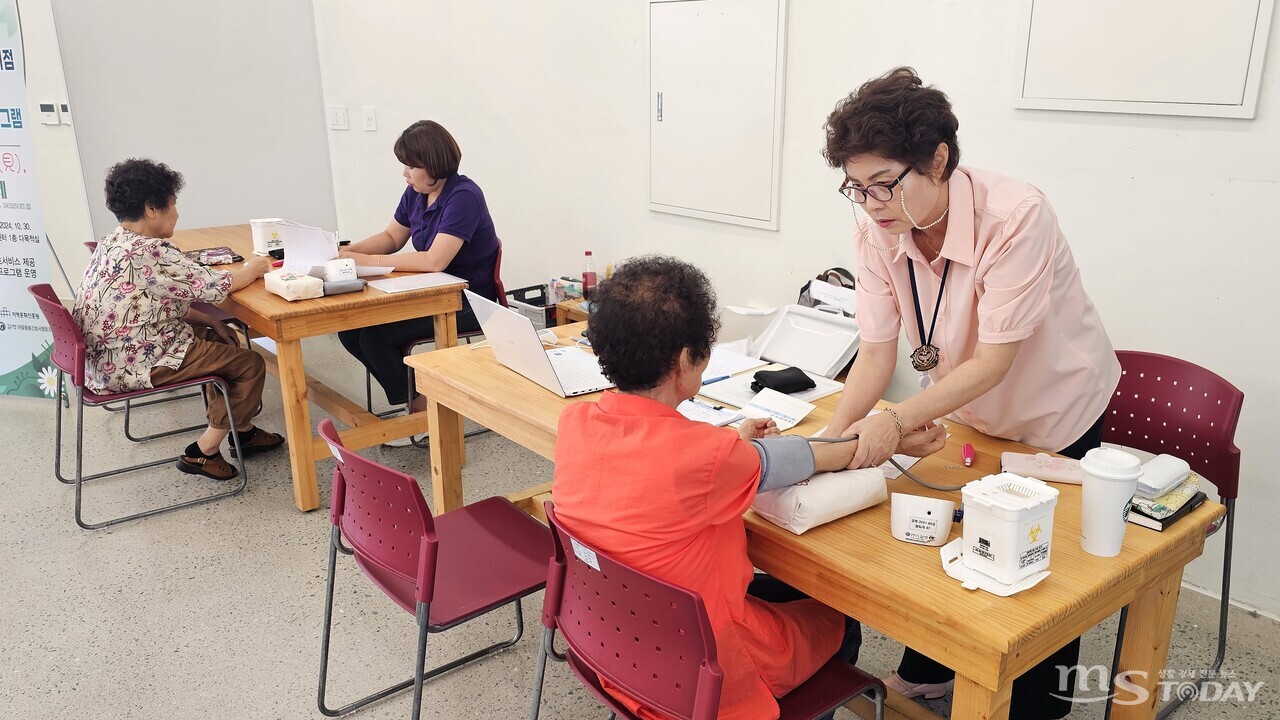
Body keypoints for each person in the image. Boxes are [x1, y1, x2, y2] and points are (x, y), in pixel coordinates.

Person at [822, 67, 1121, 718]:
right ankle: (930, 672)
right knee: (952, 535)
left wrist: (895, 421)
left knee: (1038, 569)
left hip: (1053, 411)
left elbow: (993, 361)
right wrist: (832, 438)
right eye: (857, 188)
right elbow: (876, 352)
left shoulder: (1016, 216)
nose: (872, 205)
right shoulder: (877, 231)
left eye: (885, 185)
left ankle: (1039, 706)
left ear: (939, 159)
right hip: (966, 406)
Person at [551, 255, 944, 720]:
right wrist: (890, 433)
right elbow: (814, 457)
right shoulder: (705, 457)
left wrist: (731, 446)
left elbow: (675, 467)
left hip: (619, 654)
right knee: (840, 617)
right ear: (684, 360)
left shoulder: (576, 423)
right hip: (713, 675)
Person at [73, 158, 284, 481]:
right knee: (249, 364)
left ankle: (243, 430)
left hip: (109, 357)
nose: (177, 212)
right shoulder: (150, 252)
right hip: (136, 362)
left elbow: (152, 302)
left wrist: (209, 321)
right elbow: (217, 287)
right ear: (152, 209)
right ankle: (203, 451)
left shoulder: (112, 242)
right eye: (172, 204)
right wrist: (253, 268)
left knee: (218, 337)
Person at [337, 120, 500, 424]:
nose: (405, 174)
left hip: (467, 301)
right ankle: (414, 399)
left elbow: (434, 261)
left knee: (374, 339)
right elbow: (391, 238)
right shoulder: (415, 191)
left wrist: (367, 262)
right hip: (428, 293)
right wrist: (345, 252)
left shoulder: (464, 196)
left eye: (410, 166)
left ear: (433, 164)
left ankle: (418, 412)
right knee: (349, 331)